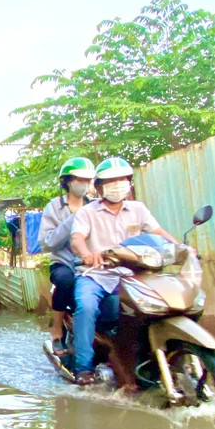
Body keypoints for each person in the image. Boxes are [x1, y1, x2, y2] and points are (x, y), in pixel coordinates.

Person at [68, 157, 177, 387]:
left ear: (129, 183)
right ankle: (84, 368)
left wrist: (180, 248)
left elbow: (157, 232)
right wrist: (87, 254)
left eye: (122, 179)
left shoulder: (138, 209)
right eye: (111, 181)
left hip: (131, 275)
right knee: (86, 307)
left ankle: (158, 359)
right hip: (96, 275)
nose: (118, 184)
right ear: (98, 187)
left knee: (159, 306)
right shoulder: (87, 212)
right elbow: (76, 239)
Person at [38, 156, 95, 354]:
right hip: (63, 264)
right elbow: (47, 243)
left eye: (88, 180)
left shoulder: (96, 206)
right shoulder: (54, 207)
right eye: (80, 180)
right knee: (65, 280)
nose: (84, 185)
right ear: (68, 181)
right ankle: (56, 330)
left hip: (91, 264)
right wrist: (73, 220)